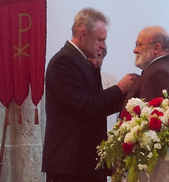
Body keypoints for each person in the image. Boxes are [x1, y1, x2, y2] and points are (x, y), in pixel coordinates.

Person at [42, 7, 139, 182]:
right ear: (83, 34)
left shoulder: (81, 61)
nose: (103, 45)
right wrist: (119, 88)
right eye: (100, 40)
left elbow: (96, 105)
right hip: (70, 166)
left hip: (84, 164)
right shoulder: (64, 62)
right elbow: (86, 107)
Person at [122, 26, 169, 109]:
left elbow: (148, 117)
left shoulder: (159, 73)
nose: (135, 50)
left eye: (139, 45)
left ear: (157, 48)